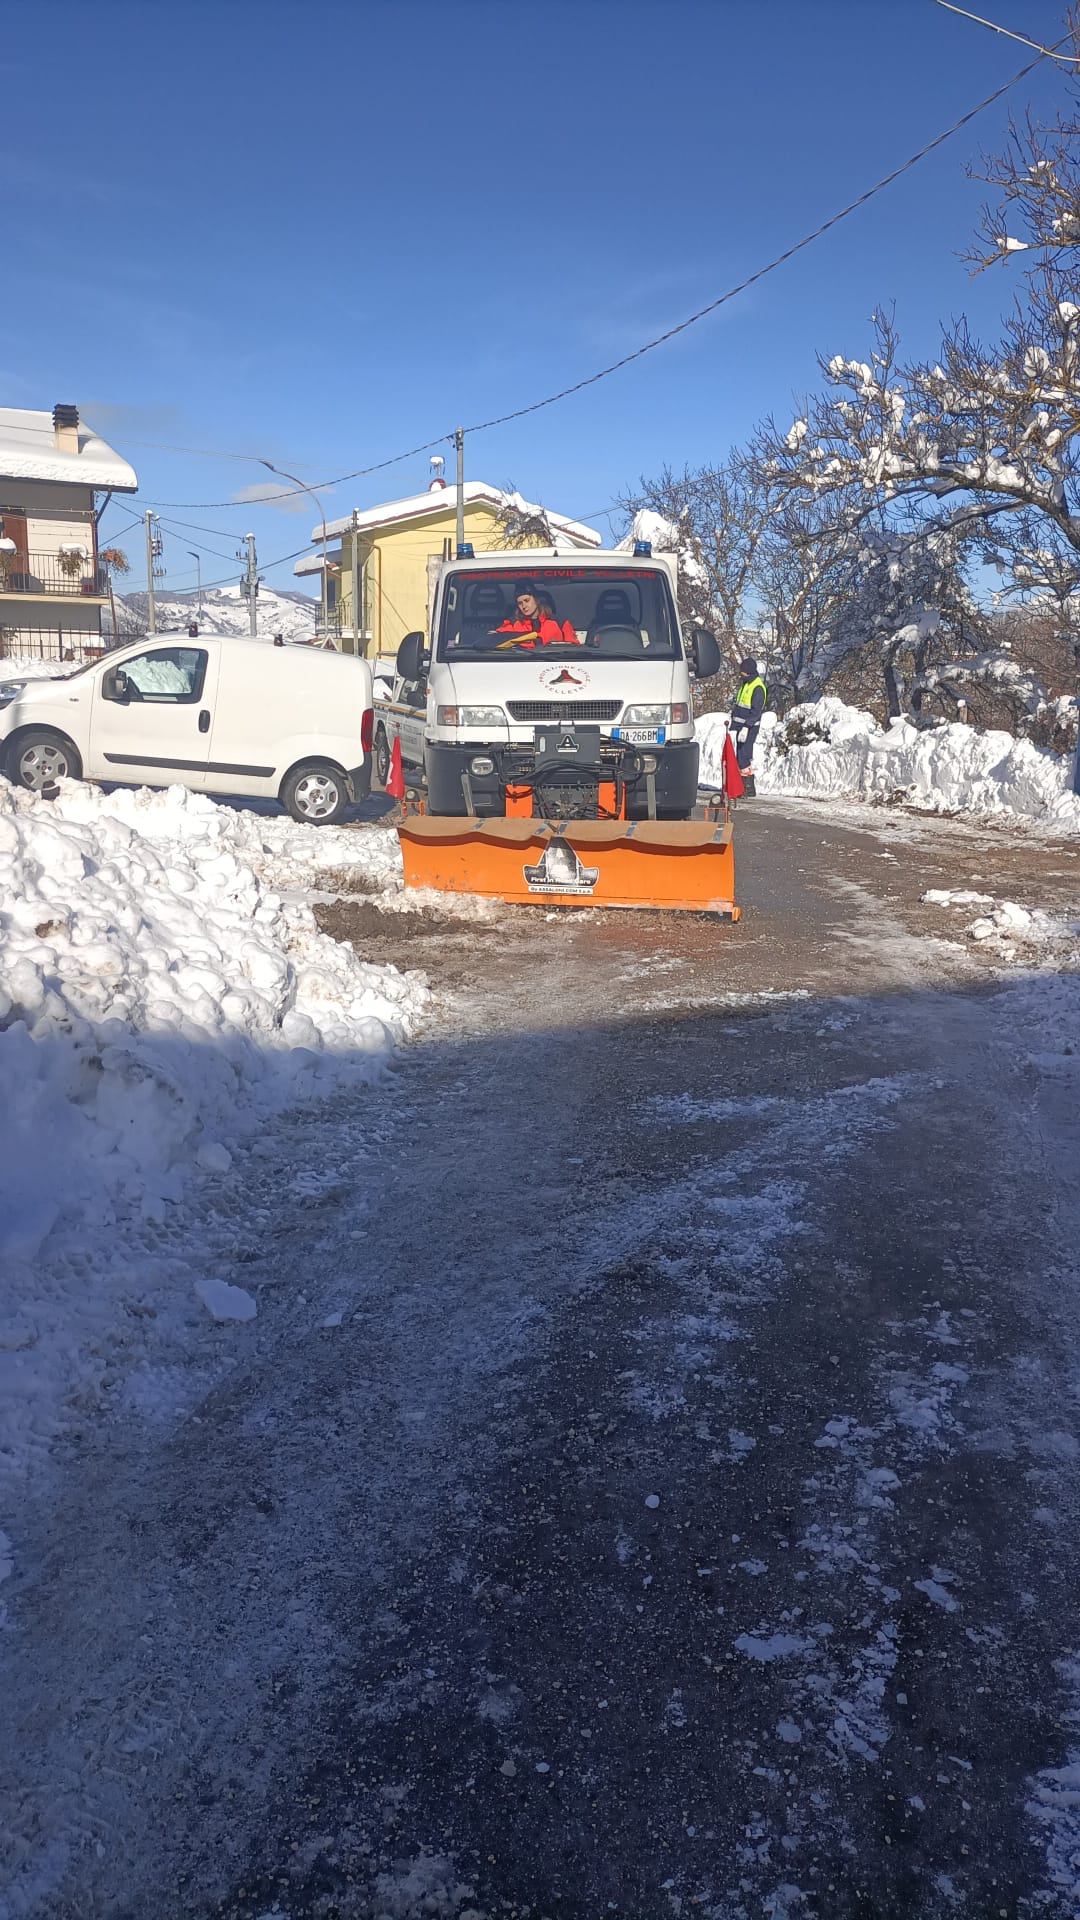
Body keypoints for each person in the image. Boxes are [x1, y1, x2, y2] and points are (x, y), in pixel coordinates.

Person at [492, 581, 577, 648]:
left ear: (537, 600)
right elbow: (494, 641)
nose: (524, 606)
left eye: (527, 600)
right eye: (520, 603)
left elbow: (574, 649)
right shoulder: (513, 624)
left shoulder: (560, 623)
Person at [730, 657, 767, 782]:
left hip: (749, 727)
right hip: (741, 726)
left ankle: (747, 785)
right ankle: (742, 784)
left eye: (743, 672)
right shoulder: (746, 684)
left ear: (748, 672)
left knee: (744, 755)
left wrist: (746, 727)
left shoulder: (757, 687)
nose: (741, 674)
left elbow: (756, 711)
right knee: (740, 755)